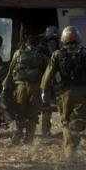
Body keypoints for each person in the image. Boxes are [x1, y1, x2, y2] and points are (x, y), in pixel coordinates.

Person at [41, 26, 86, 160]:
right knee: (79, 119)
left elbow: (48, 75)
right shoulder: (84, 53)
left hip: (64, 93)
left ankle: (69, 153)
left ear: (63, 39)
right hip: (83, 92)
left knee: (65, 122)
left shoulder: (57, 54)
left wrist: (44, 90)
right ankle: (75, 134)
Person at [2, 35, 49, 145]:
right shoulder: (41, 55)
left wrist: (5, 87)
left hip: (21, 87)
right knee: (32, 114)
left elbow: (11, 70)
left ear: (26, 43)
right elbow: (49, 69)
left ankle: (18, 134)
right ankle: (29, 139)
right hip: (36, 88)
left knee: (19, 112)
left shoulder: (18, 53)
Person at [38, 25, 60, 137]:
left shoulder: (42, 47)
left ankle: (45, 131)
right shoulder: (43, 49)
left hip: (49, 79)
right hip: (49, 79)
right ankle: (46, 131)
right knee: (47, 106)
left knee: (47, 106)